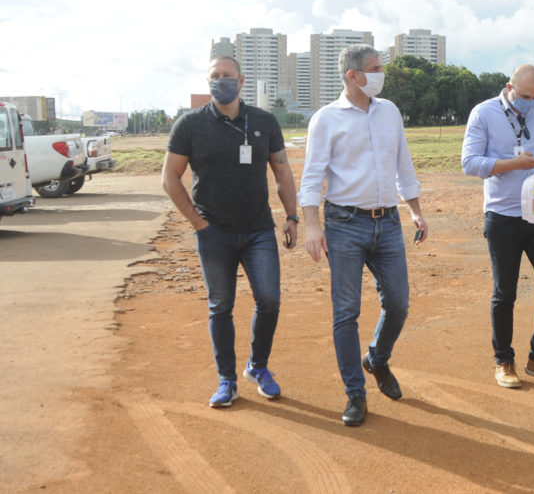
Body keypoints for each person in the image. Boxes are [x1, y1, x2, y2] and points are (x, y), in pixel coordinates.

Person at [299, 44, 428, 427]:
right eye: (374, 69)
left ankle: (377, 358)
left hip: (387, 222)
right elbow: (311, 177)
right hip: (344, 224)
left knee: (399, 303)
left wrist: (416, 211)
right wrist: (311, 224)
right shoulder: (326, 119)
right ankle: (355, 394)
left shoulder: (389, 112)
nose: (380, 74)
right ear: (352, 76)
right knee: (346, 312)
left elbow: (404, 164)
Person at [162, 56, 299, 408]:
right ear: (208, 82)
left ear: (241, 81)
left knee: (269, 300)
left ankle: (258, 366)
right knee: (220, 306)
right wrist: (198, 224)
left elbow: (282, 172)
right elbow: (170, 178)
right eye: (214, 76)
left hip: (258, 230)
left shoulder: (265, 121)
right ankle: (227, 380)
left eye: (227, 76)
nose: (220, 81)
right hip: (214, 232)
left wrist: (292, 216)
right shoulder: (189, 125)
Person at [461, 64, 534, 389]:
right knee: (505, 292)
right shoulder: (483, 114)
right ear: (509, 87)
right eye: (524, 96)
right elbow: (469, 163)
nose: (530, 103)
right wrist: (514, 165)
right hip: (503, 215)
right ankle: (503, 362)